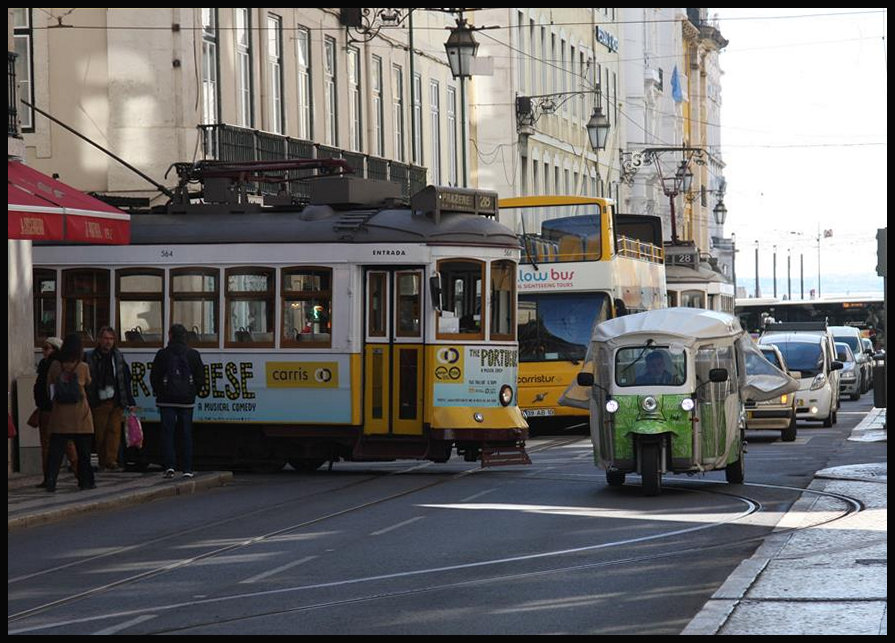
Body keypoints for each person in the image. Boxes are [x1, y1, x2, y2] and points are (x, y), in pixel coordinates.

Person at [150, 323, 205, 479]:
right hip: (187, 401)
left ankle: (170, 467)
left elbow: (154, 377)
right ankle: (187, 468)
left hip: (166, 400)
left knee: (168, 434)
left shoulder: (162, 354)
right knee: (186, 434)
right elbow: (201, 377)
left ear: (170, 335)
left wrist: (160, 392)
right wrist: (193, 392)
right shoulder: (193, 354)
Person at [45, 333, 95, 492]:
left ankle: (51, 481)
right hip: (80, 416)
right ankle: (86, 481)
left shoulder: (55, 366)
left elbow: (49, 386)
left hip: (60, 416)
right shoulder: (83, 367)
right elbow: (88, 383)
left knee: (55, 453)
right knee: (84, 453)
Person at [86, 326, 137, 471]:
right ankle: (103, 460)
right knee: (100, 432)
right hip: (98, 400)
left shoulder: (118, 356)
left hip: (116, 400)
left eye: (111, 339)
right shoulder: (91, 357)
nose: (108, 342)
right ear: (99, 340)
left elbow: (125, 379)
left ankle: (111, 460)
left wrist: (129, 401)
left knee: (114, 432)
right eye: (105, 338)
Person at [33, 336, 80, 488]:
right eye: (43, 348)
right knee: (49, 445)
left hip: (53, 409)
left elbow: (52, 388)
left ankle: (76, 473)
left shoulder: (55, 364)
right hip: (45, 409)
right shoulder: (44, 364)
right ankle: (49, 477)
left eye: (47, 348)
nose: (44, 352)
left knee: (64, 443)